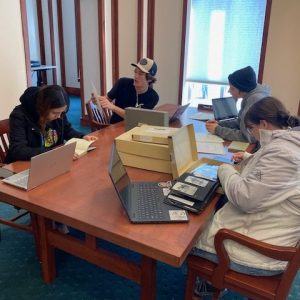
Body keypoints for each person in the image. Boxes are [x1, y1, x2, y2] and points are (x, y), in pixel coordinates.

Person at [192, 97, 300, 281]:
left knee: (186, 238)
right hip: (269, 228)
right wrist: (251, 158)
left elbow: (245, 198)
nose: (250, 134)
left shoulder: (284, 154)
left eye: (251, 129)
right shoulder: (288, 143)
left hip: (259, 251)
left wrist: (224, 169)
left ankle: (208, 283)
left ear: (263, 124)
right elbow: (273, 176)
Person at [5, 85, 97, 164]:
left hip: (49, 162)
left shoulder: (58, 113)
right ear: (42, 107)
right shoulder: (19, 116)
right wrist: (54, 153)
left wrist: (82, 136)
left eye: (62, 112)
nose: (59, 116)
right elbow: (18, 150)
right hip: (24, 164)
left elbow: (66, 129)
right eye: (55, 113)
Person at [206, 66, 271, 142]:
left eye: (232, 88)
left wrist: (217, 130)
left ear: (243, 89)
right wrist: (220, 124)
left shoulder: (254, 100)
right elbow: (240, 123)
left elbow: (247, 137)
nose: (229, 91)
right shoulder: (250, 95)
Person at [94, 58, 159, 124]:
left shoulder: (153, 97)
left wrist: (113, 107)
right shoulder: (122, 83)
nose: (136, 76)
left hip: (136, 128)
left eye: (140, 74)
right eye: (135, 72)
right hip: (115, 126)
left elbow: (136, 118)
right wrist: (98, 100)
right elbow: (107, 99)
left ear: (150, 79)